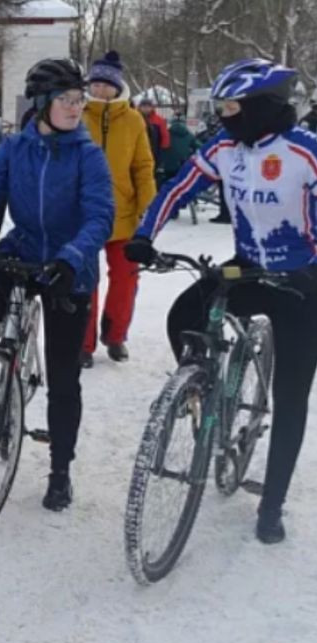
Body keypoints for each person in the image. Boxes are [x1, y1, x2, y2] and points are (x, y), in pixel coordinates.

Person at [125, 58, 317, 545]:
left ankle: (271, 505)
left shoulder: (304, 151)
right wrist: (145, 235)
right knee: (182, 315)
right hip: (247, 266)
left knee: (291, 397)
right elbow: (178, 188)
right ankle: (202, 394)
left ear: (263, 106)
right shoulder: (225, 147)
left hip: (302, 281)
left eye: (233, 107)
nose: (225, 115)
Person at [0, 57, 113, 512]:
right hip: (23, 249)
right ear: (42, 104)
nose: (76, 108)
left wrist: (72, 259)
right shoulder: (14, 149)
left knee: (63, 375)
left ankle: (60, 470)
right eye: (67, 101)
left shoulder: (88, 155)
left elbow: (99, 216)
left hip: (68, 267)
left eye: (79, 100)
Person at [79, 50, 156, 367]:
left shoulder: (134, 119)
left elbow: (142, 166)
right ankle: (82, 343)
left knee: (126, 278)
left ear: (116, 86)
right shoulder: (77, 114)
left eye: (105, 85)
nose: (99, 90)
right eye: (94, 84)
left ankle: (116, 336)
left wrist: (147, 212)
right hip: (83, 214)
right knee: (85, 281)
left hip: (123, 215)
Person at [137, 95, 171, 169]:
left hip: (153, 150)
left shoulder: (159, 120)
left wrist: (163, 149)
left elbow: (164, 135)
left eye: (148, 106)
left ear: (152, 108)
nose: (146, 109)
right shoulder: (135, 118)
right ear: (140, 107)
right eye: (144, 106)